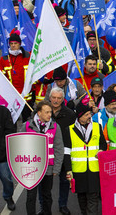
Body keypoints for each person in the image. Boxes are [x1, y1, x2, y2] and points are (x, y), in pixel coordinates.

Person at [63, 101, 107, 215]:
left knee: (93, 198)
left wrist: (101, 150)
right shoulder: (69, 130)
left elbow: (103, 144)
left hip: (94, 169)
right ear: (80, 116)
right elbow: (66, 152)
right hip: (78, 171)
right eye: (86, 115)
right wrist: (68, 170)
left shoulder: (97, 127)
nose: (89, 117)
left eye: (89, 114)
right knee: (82, 199)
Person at [22, 101, 64, 215]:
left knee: (47, 195)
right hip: (31, 168)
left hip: (48, 168)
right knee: (31, 196)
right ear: (39, 112)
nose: (50, 114)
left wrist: (56, 168)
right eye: (47, 112)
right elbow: (20, 146)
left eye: (50, 112)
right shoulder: (26, 126)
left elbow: (59, 148)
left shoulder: (55, 127)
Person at [47, 87, 76, 215]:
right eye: (54, 98)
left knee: (64, 181)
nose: (56, 100)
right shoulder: (43, 112)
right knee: (46, 183)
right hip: (46, 152)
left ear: (63, 99)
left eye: (59, 98)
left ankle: (63, 204)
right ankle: (44, 206)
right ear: (50, 98)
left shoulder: (70, 114)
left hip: (63, 152)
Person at [0, 104, 16, 212]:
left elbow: (10, 130)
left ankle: (8, 197)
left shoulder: (4, 111)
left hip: (2, 153)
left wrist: (3, 147)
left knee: (6, 178)